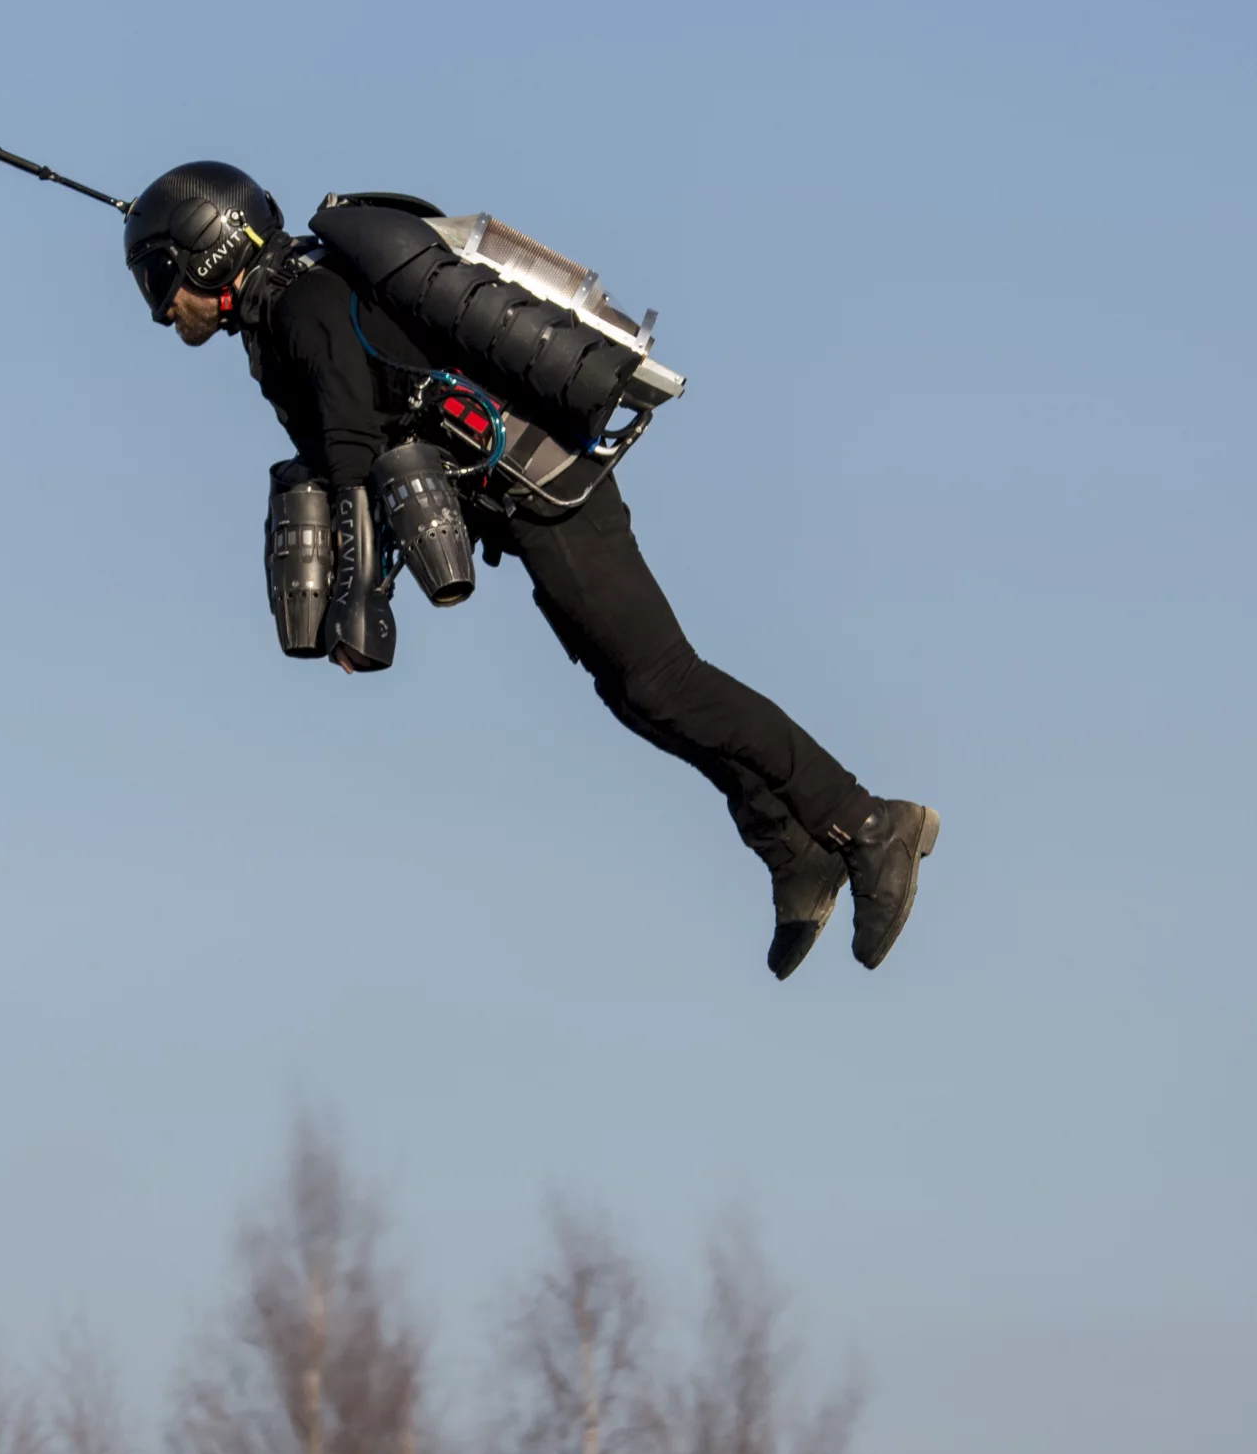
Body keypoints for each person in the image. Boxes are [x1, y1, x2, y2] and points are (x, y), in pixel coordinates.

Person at [126, 160, 937, 976]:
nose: (160, 310)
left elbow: (350, 458)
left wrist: (355, 604)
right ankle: (792, 852)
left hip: (550, 489)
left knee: (662, 679)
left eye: (161, 279)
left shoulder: (304, 306)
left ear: (210, 251)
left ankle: (869, 824)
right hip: (519, 503)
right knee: (635, 692)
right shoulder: (285, 315)